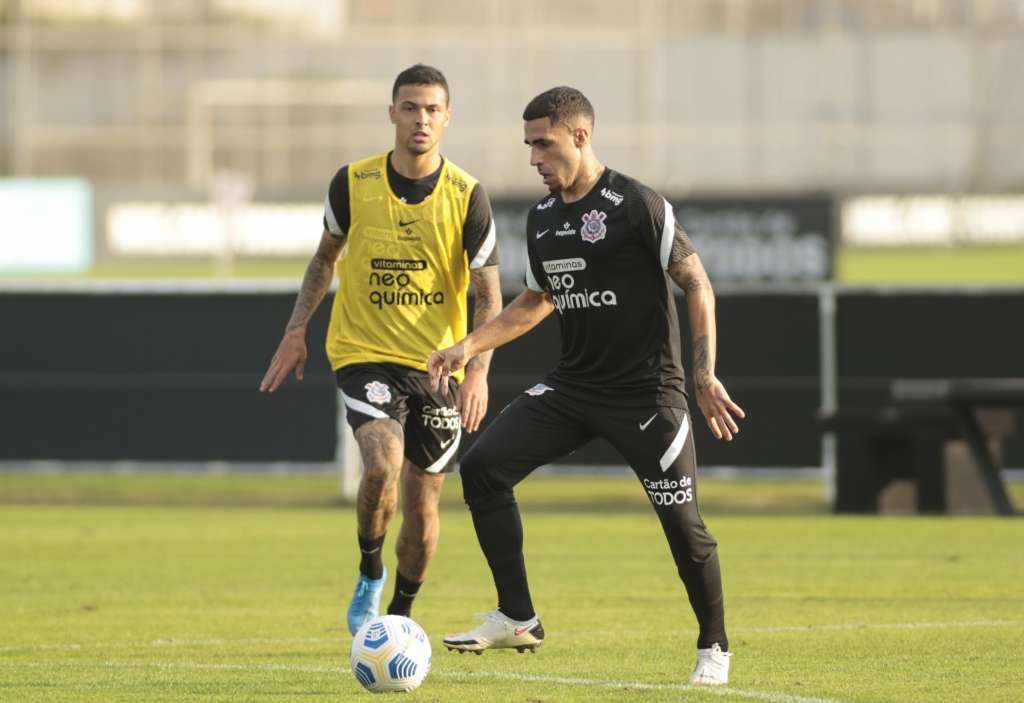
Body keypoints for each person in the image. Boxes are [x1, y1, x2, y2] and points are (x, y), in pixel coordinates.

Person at [427, 86, 744, 686]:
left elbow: (696, 283)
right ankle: (517, 616)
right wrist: (467, 346)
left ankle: (714, 646)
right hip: (574, 390)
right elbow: (537, 300)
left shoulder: (637, 205)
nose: (533, 158)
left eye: (542, 144)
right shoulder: (544, 220)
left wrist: (702, 375)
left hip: (648, 395)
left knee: (684, 528)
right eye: (527, 145)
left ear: (580, 136)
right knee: (484, 468)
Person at [259, 64, 502, 636]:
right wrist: (296, 330)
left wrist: (478, 370)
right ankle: (370, 571)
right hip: (363, 354)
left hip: (440, 367)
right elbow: (324, 258)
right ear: (391, 111)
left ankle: (399, 616)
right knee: (382, 465)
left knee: (421, 510)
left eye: (432, 109)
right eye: (411, 107)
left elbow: (489, 292)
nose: (421, 118)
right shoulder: (352, 182)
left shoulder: (467, 195)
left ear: (447, 117)